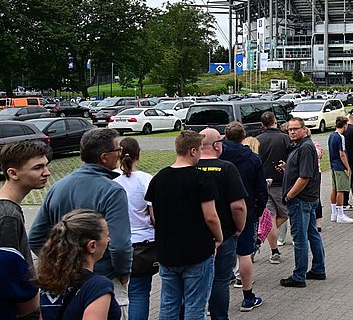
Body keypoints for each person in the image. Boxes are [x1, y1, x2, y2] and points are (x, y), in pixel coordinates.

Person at [29, 128, 132, 319]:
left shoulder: (58, 186)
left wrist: (57, 263)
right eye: (118, 151)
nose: (120, 155)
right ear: (104, 157)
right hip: (103, 280)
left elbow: (35, 237)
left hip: (61, 284)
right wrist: (123, 274)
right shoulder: (112, 191)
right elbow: (120, 245)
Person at [145, 130, 222, 319]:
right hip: (197, 251)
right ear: (193, 151)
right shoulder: (201, 178)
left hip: (167, 252)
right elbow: (211, 216)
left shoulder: (159, 177)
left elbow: (154, 214)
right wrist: (218, 237)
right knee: (195, 305)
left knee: (169, 303)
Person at [198, 128, 248, 316]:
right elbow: (238, 206)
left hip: (196, 235)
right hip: (225, 233)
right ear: (217, 145)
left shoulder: (189, 169)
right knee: (219, 280)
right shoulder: (227, 168)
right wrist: (239, 228)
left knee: (196, 280)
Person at [219, 122, 267, 312]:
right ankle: (248, 296)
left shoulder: (218, 156)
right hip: (246, 209)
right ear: (244, 136)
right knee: (245, 253)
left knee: (219, 252)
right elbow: (261, 188)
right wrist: (258, 209)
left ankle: (211, 300)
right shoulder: (253, 158)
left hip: (220, 211)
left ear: (225, 136)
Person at [0, 141, 51, 319]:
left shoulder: (10, 210)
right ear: (13, 173)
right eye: (38, 167)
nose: (47, 172)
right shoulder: (7, 216)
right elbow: (10, 277)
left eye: (46, 165)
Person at [38, 209, 121, 319]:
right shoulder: (97, 286)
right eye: (106, 236)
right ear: (92, 246)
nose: (109, 240)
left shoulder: (44, 281)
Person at [279, 117, 326, 288]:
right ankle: (318, 269)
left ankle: (299, 276)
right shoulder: (299, 146)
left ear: (304, 129)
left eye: (295, 129)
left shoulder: (305, 147)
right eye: (289, 129)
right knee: (312, 234)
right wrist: (287, 168)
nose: (292, 132)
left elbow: (305, 176)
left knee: (299, 238)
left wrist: (290, 195)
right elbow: (301, 170)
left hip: (301, 200)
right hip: (308, 199)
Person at [113, 138, 154, 320]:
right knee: (139, 293)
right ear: (138, 155)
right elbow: (154, 217)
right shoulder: (146, 180)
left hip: (113, 244)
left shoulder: (109, 179)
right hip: (142, 245)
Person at [256, 111, 291, 265]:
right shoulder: (285, 138)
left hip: (263, 183)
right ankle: (269, 244)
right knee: (284, 213)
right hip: (280, 182)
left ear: (262, 124)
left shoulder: (258, 140)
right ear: (275, 121)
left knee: (270, 217)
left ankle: (271, 247)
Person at [327, 116, 353, 224]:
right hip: (340, 166)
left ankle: (334, 212)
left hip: (333, 165)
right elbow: (342, 153)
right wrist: (348, 167)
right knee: (341, 190)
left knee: (334, 188)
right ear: (345, 125)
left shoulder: (331, 135)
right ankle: (340, 214)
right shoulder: (340, 137)